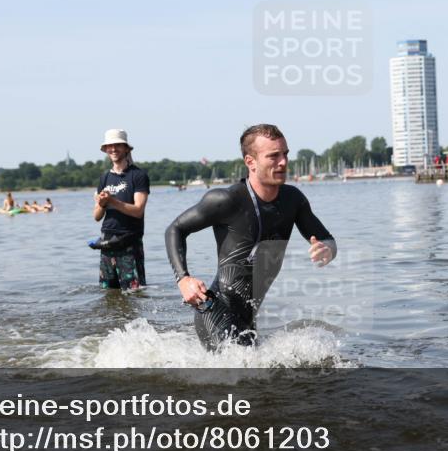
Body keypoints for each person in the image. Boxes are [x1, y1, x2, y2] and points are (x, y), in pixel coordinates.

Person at [165, 124, 336, 349]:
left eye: (285, 154)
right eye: (273, 156)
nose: (283, 162)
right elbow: (175, 229)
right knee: (242, 371)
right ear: (250, 162)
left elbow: (327, 239)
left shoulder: (293, 200)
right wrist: (183, 279)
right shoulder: (226, 200)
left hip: (248, 316)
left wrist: (327, 249)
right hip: (214, 309)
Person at [93, 129, 150, 290]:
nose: (113, 149)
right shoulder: (104, 178)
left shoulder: (138, 175)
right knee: (108, 292)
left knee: (135, 292)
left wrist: (112, 200)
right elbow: (96, 216)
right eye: (109, 146)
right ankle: (113, 317)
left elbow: (138, 210)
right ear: (105, 150)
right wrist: (103, 203)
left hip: (129, 240)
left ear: (126, 148)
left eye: (117, 145)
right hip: (107, 241)